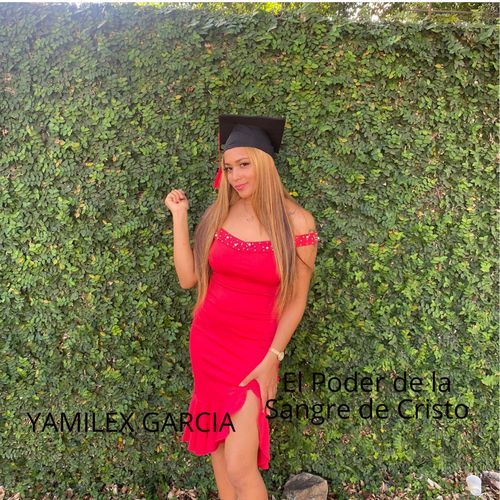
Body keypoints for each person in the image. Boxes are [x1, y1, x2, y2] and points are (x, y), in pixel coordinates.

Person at [164, 114, 319, 500]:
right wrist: (180, 218)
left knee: (240, 465)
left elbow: (297, 299)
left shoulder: (298, 222)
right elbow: (188, 278)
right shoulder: (221, 212)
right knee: (217, 448)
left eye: (244, 164)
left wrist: (273, 359)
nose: (235, 176)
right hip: (208, 343)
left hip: (255, 353)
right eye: (229, 167)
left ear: (264, 163)